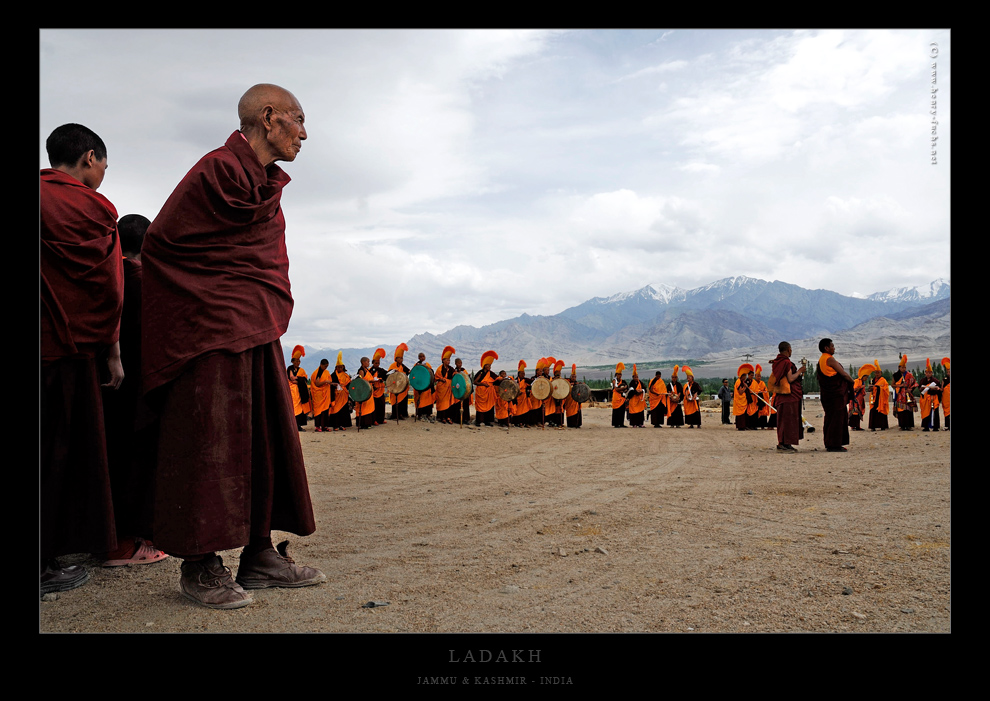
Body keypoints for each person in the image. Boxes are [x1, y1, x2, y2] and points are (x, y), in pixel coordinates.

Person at [141, 85, 324, 609]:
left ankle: (260, 553)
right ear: (269, 118)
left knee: (264, 439)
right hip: (209, 331)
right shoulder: (216, 170)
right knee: (208, 445)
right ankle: (199, 566)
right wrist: (206, 302)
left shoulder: (264, 185)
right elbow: (162, 244)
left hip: (255, 328)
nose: (304, 133)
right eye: (298, 119)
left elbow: (261, 262)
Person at [41, 123, 123, 594]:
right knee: (55, 455)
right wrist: (112, 353)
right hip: (64, 350)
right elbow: (109, 289)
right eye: (105, 165)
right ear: (90, 157)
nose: (104, 174)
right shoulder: (94, 209)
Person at [100, 213, 168, 567]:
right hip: (139, 390)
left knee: (108, 461)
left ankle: (112, 537)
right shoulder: (144, 282)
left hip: (103, 388)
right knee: (135, 465)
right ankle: (125, 544)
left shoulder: (104, 277)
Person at [816, 338, 854, 452]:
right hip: (835, 396)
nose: (834, 348)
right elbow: (843, 374)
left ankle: (830, 443)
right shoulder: (829, 359)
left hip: (827, 395)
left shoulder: (821, 360)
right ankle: (835, 445)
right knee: (837, 419)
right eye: (832, 346)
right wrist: (852, 381)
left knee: (830, 418)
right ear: (826, 348)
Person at [770, 342, 805, 451]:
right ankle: (784, 444)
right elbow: (790, 378)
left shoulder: (777, 362)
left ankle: (785, 443)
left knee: (783, 420)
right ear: (788, 349)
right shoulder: (786, 362)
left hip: (782, 395)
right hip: (789, 396)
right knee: (789, 420)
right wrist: (800, 371)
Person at [288, 345, 311, 431]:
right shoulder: (289, 368)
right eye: (297, 361)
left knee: (300, 409)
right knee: (293, 408)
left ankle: (299, 425)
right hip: (292, 392)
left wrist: (297, 380)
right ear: (293, 361)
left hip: (300, 392)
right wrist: (298, 380)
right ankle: (293, 425)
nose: (298, 362)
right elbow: (290, 379)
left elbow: (303, 380)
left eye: (299, 361)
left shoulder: (301, 370)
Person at [474, 351, 499, 426]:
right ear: (485, 366)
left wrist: (503, 378)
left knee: (490, 406)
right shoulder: (480, 373)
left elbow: (497, 379)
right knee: (481, 408)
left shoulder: (491, 373)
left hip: (489, 393)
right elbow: (475, 382)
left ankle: (488, 421)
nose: (490, 367)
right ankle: (480, 421)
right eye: (488, 365)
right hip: (481, 392)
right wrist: (483, 384)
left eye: (490, 366)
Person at [434, 346, 458, 424]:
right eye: (447, 360)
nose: (448, 361)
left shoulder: (451, 368)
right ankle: (442, 417)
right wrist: (441, 379)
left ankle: (448, 417)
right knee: (442, 402)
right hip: (442, 388)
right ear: (443, 360)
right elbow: (436, 377)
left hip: (449, 389)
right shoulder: (439, 369)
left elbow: (454, 374)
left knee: (449, 403)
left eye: (449, 360)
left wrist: (456, 374)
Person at [892, 354, 916, 430]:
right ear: (899, 367)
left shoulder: (909, 375)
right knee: (901, 410)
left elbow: (914, 383)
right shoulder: (895, 375)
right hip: (899, 395)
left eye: (905, 367)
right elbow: (892, 385)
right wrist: (900, 386)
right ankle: (902, 426)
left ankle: (909, 426)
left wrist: (910, 390)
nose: (904, 369)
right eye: (902, 367)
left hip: (907, 395)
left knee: (908, 409)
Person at [329, 353, 353, 430]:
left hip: (344, 395)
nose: (340, 369)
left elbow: (348, 384)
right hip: (336, 395)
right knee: (335, 410)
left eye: (341, 367)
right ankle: (335, 425)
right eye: (338, 367)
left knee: (343, 411)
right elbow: (330, 385)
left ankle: (342, 425)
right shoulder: (333, 375)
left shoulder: (345, 375)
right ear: (336, 368)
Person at [918, 358, 942, 432]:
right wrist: (923, 389)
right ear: (925, 373)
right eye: (927, 372)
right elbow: (919, 388)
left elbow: (939, 389)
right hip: (926, 399)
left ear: (932, 373)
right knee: (926, 412)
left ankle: (935, 427)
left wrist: (934, 389)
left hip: (934, 398)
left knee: (935, 412)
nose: (928, 374)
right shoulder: (923, 380)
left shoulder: (936, 381)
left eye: (930, 372)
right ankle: (926, 427)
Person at [310, 359, 333, 432]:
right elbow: (317, 384)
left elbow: (329, 381)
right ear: (321, 365)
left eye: (327, 366)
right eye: (325, 366)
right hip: (318, 395)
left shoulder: (326, 372)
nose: (326, 368)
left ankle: (324, 426)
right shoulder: (318, 372)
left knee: (325, 411)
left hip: (325, 394)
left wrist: (332, 383)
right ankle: (317, 426)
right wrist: (325, 381)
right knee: (318, 411)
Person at [388, 343, 410, 421]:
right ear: (396, 359)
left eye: (402, 358)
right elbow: (389, 374)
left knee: (402, 402)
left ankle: (401, 414)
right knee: (395, 401)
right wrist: (395, 372)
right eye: (400, 358)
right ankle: (395, 414)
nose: (401, 360)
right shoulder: (392, 366)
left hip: (401, 387)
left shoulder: (402, 366)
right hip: (394, 387)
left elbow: (408, 371)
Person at [412, 352, 435, 421]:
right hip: (420, 386)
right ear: (418, 358)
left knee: (428, 401)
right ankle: (420, 415)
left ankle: (428, 414)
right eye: (420, 357)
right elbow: (414, 374)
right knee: (420, 401)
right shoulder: (416, 365)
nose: (422, 358)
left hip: (427, 386)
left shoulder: (428, 365)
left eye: (423, 356)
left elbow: (431, 373)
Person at [867, 361, 889, 431]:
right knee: (873, 411)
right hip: (874, 398)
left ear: (881, 373)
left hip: (881, 398)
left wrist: (878, 387)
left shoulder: (883, 380)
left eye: (878, 372)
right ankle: (873, 426)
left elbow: (886, 389)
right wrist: (870, 388)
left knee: (881, 411)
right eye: (876, 373)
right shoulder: (873, 380)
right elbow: (870, 389)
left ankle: (882, 426)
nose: (877, 374)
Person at [356, 356, 378, 428]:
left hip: (369, 390)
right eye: (367, 362)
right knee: (363, 407)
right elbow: (361, 381)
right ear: (363, 362)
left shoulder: (366, 370)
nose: (369, 363)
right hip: (363, 391)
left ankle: (368, 423)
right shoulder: (361, 371)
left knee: (368, 407)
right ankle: (363, 424)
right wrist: (371, 381)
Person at [733, 364, 753, 431]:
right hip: (740, 400)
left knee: (744, 414)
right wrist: (745, 387)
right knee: (740, 414)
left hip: (743, 400)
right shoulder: (738, 382)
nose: (745, 377)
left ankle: (743, 426)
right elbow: (740, 392)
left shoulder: (742, 381)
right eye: (744, 376)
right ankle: (740, 426)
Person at [371, 348, 388, 425]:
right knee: (375, 406)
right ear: (373, 363)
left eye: (378, 363)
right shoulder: (369, 371)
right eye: (376, 363)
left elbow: (387, 375)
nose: (377, 364)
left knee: (381, 405)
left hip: (380, 390)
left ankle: (381, 419)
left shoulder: (381, 370)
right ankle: (374, 420)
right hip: (373, 391)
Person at [563, 363, 583, 428]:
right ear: (570, 377)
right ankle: (571, 424)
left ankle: (577, 424)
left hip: (575, 400)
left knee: (576, 411)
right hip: (569, 400)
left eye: (575, 377)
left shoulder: (577, 383)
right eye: (572, 377)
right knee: (570, 412)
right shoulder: (567, 382)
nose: (574, 378)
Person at [454, 357, 472, 424]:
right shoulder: (454, 370)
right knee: (458, 405)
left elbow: (466, 378)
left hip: (464, 390)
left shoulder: (463, 370)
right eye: (458, 363)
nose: (460, 364)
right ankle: (457, 419)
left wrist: (468, 376)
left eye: (461, 363)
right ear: (455, 363)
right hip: (458, 390)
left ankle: (466, 419)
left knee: (465, 405)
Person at [611, 363, 628, 428]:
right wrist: (623, 388)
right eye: (618, 374)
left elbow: (626, 388)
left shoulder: (622, 381)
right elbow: (616, 389)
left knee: (622, 411)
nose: (620, 376)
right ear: (616, 375)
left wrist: (624, 390)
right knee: (616, 411)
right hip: (616, 397)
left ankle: (621, 423)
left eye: (620, 374)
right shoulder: (614, 381)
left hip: (622, 398)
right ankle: (616, 424)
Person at [941, 357, 950, 431]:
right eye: (947, 371)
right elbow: (942, 388)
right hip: (946, 399)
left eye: (949, 371)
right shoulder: (944, 379)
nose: (948, 373)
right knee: (947, 412)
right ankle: (947, 426)